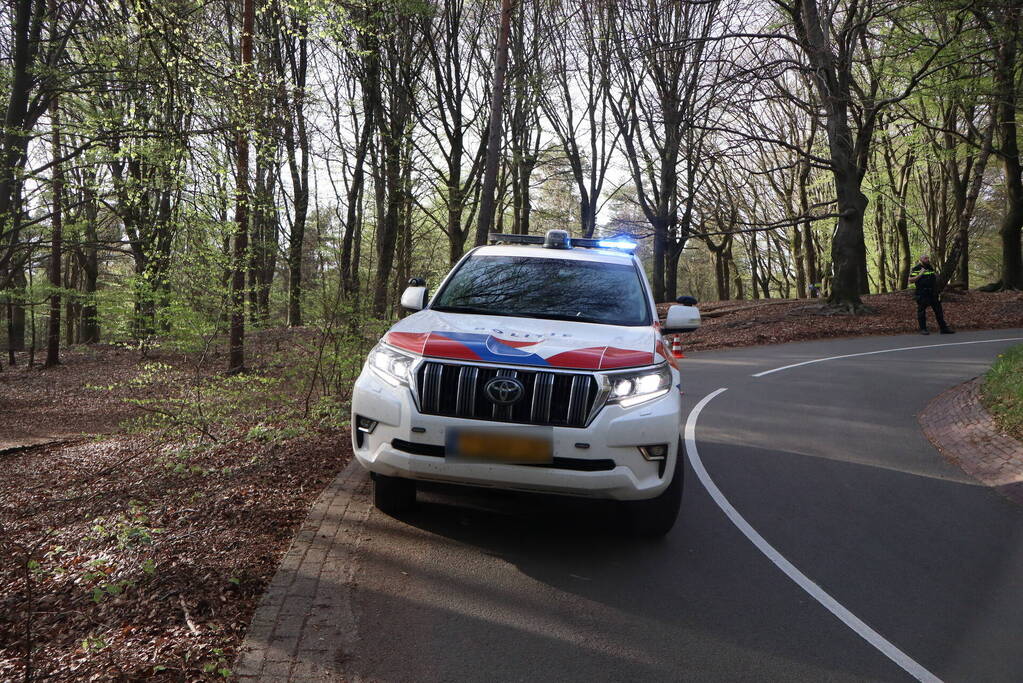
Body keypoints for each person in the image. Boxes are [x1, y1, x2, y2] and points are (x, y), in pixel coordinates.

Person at [909, 254, 953, 335]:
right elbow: (911, 280)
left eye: (928, 258)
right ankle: (923, 329)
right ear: (921, 259)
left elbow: (934, 279)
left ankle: (943, 328)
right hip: (922, 293)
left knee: (938, 311)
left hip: (933, 293)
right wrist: (921, 274)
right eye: (925, 258)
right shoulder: (916, 268)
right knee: (921, 312)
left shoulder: (930, 267)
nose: (927, 259)